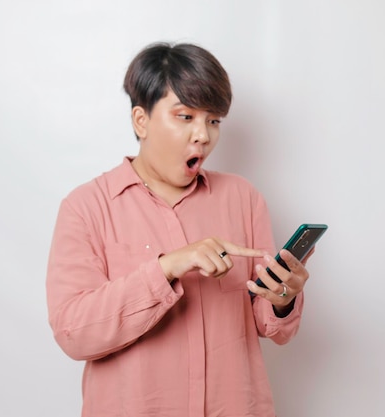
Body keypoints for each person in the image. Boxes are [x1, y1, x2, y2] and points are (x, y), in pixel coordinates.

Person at [46, 42, 313, 417]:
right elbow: (75, 334)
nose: (203, 135)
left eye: (214, 120)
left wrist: (284, 298)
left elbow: (272, 327)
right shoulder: (86, 207)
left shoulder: (243, 198)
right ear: (142, 120)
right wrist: (165, 268)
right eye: (185, 117)